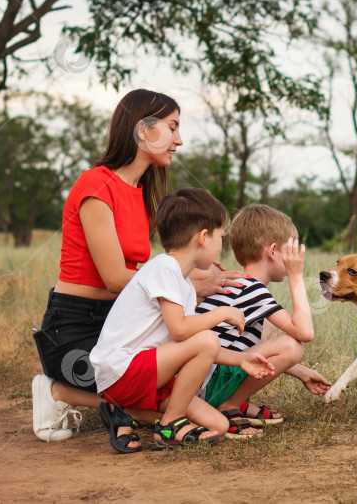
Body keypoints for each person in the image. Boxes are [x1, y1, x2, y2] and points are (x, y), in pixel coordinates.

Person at [32, 89, 245, 444]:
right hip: (74, 328)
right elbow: (116, 278)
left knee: (179, 398)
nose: (179, 140)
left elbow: (156, 269)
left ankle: (126, 408)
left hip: (116, 323)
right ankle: (57, 391)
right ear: (143, 130)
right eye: (173, 127)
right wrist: (191, 284)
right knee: (161, 408)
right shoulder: (96, 185)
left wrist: (205, 274)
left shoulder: (144, 193)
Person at [89, 188, 275, 453]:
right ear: (203, 237)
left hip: (149, 374)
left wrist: (241, 359)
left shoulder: (183, 283)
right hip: (124, 368)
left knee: (219, 425)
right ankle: (170, 424)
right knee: (208, 337)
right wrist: (221, 314)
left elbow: (192, 345)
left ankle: (123, 409)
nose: (221, 246)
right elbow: (180, 331)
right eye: (220, 237)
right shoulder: (164, 267)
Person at [196, 204, 330, 430]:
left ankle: (231, 404)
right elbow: (304, 333)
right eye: (290, 252)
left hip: (198, 382)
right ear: (273, 250)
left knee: (269, 326)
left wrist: (302, 372)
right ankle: (229, 406)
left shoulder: (242, 285)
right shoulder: (251, 289)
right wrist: (296, 275)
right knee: (292, 346)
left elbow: (259, 350)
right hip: (202, 388)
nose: (294, 258)